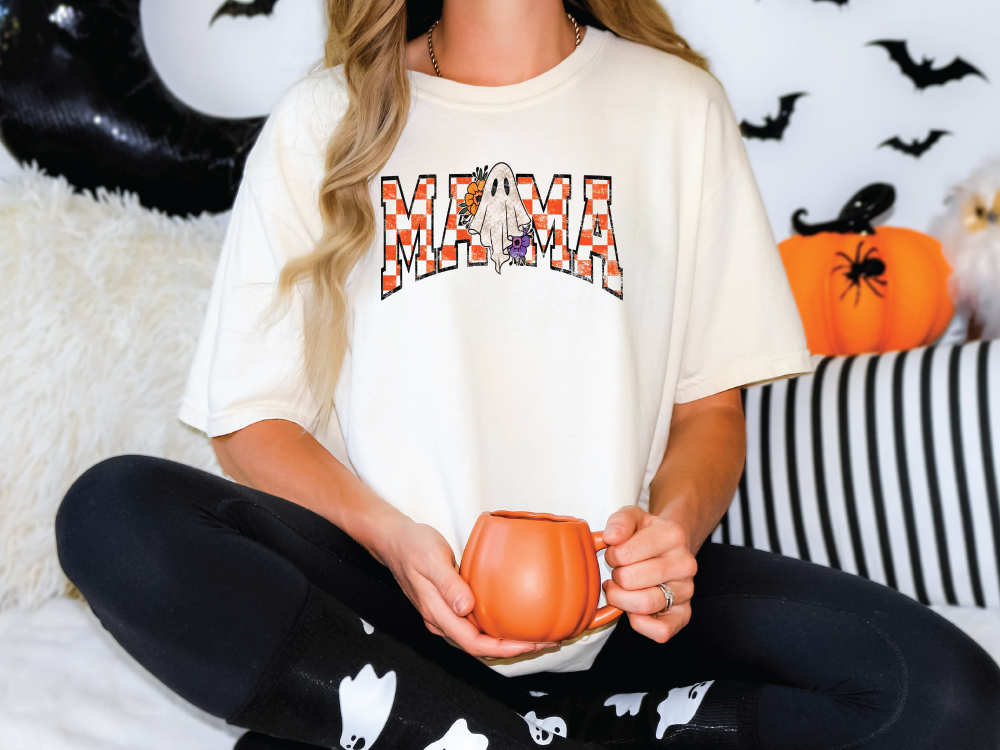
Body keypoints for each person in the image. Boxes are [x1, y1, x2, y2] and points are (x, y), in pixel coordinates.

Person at [55, 1, 1000, 748]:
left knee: (949, 699)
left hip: (620, 619)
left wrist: (669, 537)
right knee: (114, 514)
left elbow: (710, 412)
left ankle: (434, 732)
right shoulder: (324, 120)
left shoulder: (676, 107)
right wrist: (392, 541)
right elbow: (249, 421)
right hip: (392, 601)